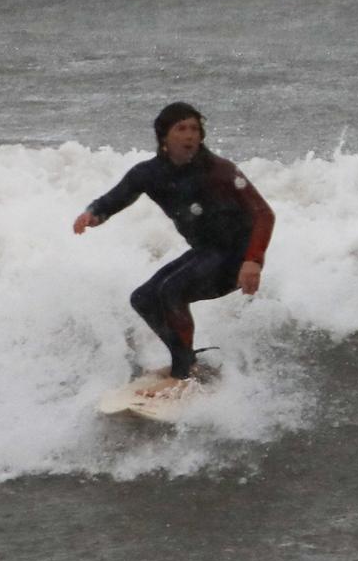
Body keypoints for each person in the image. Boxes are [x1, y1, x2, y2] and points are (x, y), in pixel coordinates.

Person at [73, 102, 275, 380]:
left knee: (171, 291)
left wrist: (253, 260)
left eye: (194, 128)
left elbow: (264, 214)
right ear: (164, 137)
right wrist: (93, 214)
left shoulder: (221, 171)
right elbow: (118, 196)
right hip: (205, 253)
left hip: (235, 258)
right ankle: (187, 361)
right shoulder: (149, 173)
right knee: (143, 298)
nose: (190, 135)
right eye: (181, 129)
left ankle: (184, 373)